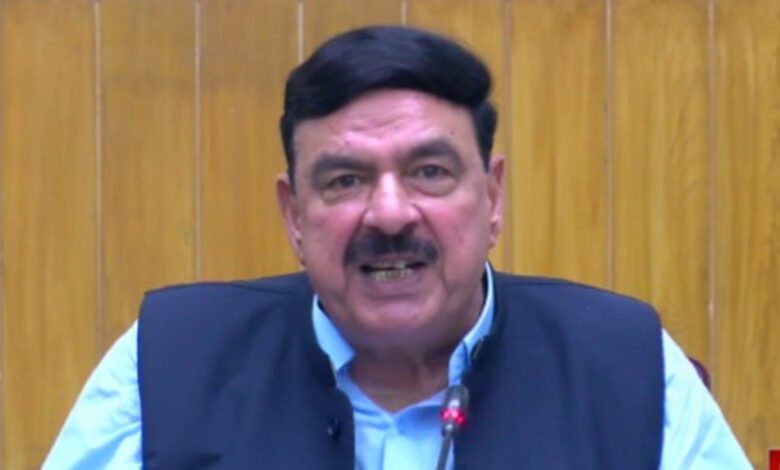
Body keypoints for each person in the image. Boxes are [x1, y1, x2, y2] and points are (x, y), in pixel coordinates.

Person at [44, 26, 750, 469]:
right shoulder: (168, 361)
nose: (388, 214)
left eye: (429, 172)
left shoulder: (627, 361)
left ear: (493, 197)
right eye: (345, 180)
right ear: (294, 215)